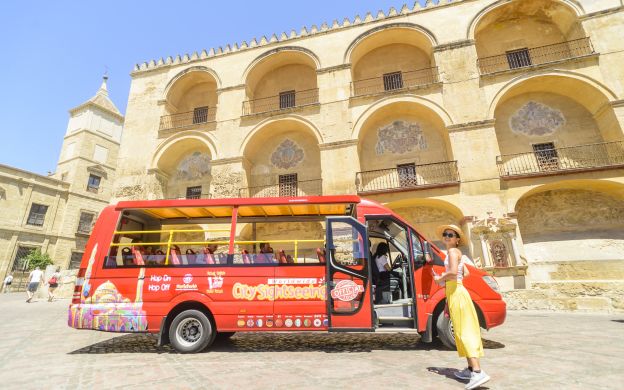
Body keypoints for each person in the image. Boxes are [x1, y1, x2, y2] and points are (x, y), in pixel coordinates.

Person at [433, 224, 490, 390]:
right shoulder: (458, 253)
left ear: (457, 239)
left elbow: (451, 272)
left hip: (455, 291)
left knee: (464, 331)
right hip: (456, 291)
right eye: (445, 234)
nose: (447, 236)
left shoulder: (452, 252)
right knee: (460, 330)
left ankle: (478, 372)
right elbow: (465, 273)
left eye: (451, 235)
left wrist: (439, 279)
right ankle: (470, 369)